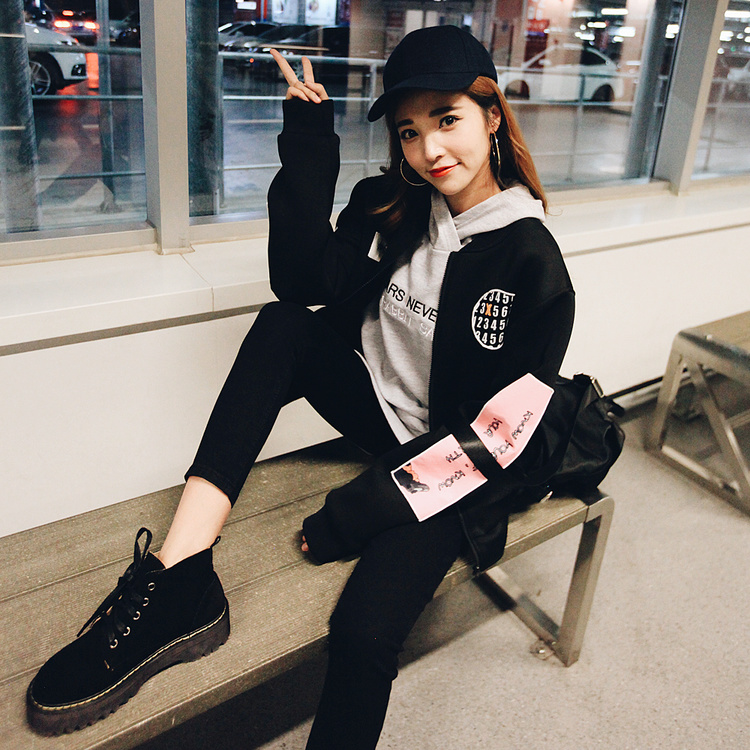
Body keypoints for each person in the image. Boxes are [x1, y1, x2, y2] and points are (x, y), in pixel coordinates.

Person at [26, 25, 575, 748]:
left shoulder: (532, 263)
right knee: (282, 325)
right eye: (409, 132)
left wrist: (355, 513)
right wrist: (310, 139)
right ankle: (179, 571)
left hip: (453, 466)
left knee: (363, 635)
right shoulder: (395, 203)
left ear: (492, 115)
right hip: (379, 412)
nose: (430, 150)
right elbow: (301, 281)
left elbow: (496, 441)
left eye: (448, 120)